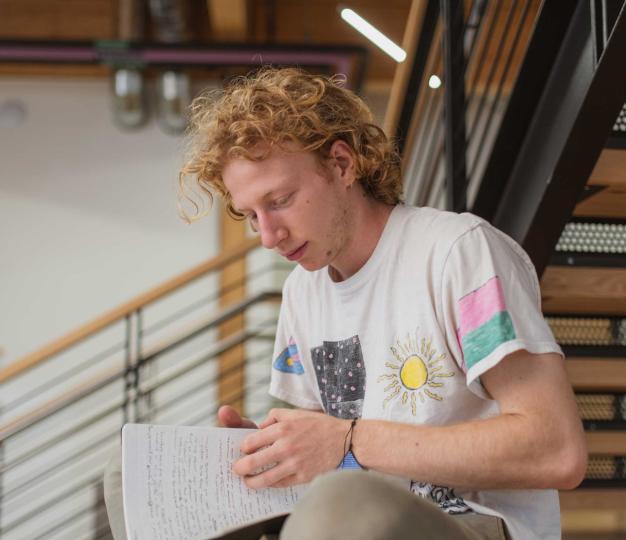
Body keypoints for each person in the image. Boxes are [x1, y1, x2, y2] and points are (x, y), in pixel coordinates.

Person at [105, 67, 587, 540]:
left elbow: (556, 449)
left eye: (280, 201)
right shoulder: (302, 290)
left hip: (470, 524)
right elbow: (327, 456)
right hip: (351, 518)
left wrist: (349, 440)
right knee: (126, 474)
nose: (268, 236)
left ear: (342, 164)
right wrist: (272, 454)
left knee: (344, 507)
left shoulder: (457, 252)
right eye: (251, 216)